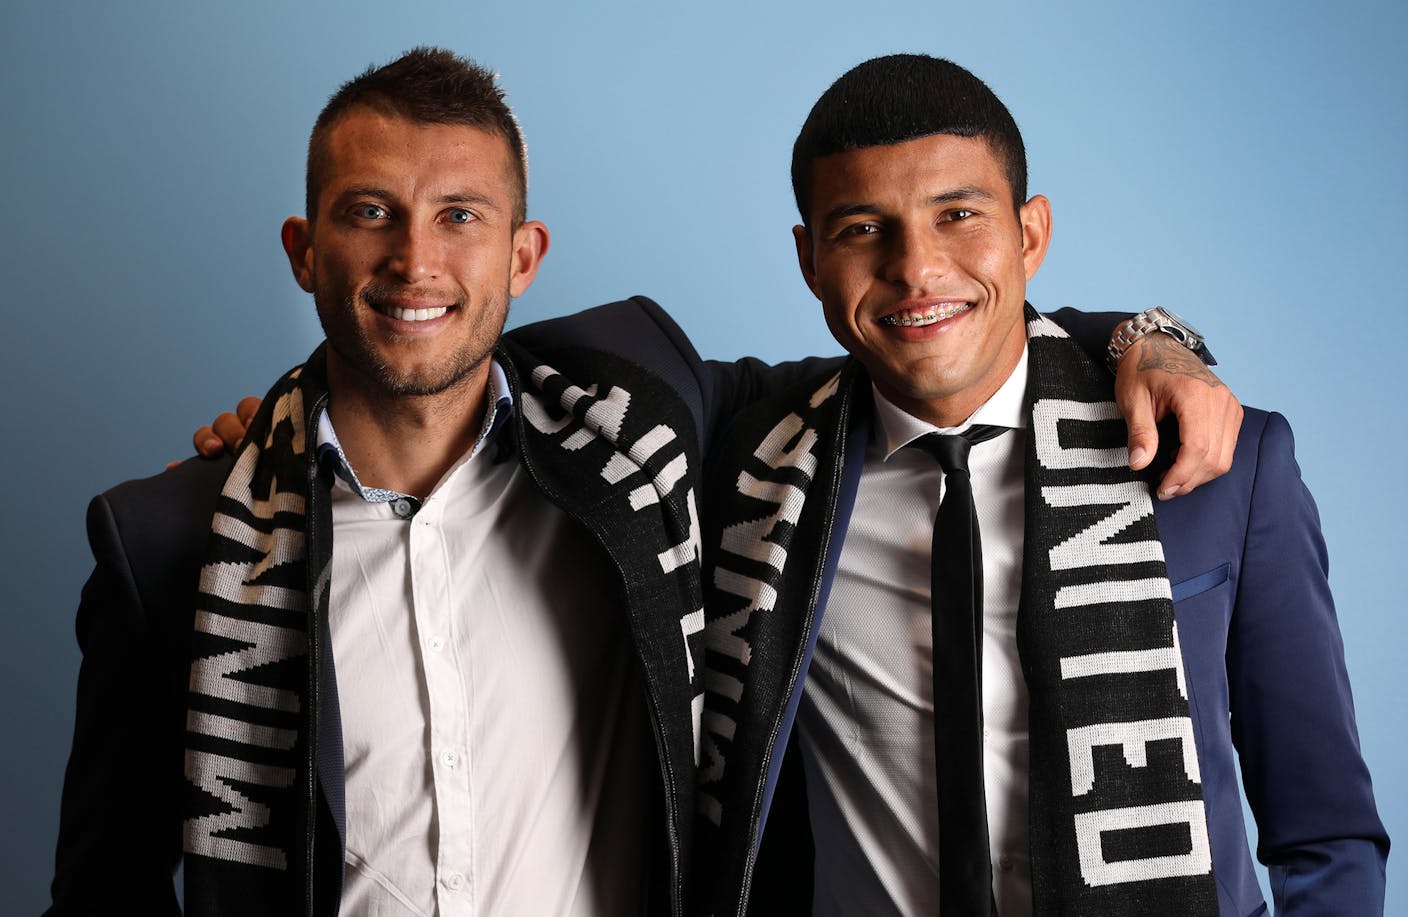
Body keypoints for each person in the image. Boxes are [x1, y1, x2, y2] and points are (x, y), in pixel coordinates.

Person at [48, 48, 1240, 916]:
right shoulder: (180, 542)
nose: (416, 259)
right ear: (307, 250)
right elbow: (101, 888)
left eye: (459, 215)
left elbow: (943, 336)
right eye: (370, 214)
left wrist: (1142, 336)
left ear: (526, 255)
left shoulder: (636, 435)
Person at [694, 55, 1388, 917]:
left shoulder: (1220, 461)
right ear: (809, 258)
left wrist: (1149, 334)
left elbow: (1324, 826)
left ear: (1030, 234)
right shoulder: (761, 470)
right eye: (862, 229)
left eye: (958, 215)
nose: (917, 267)